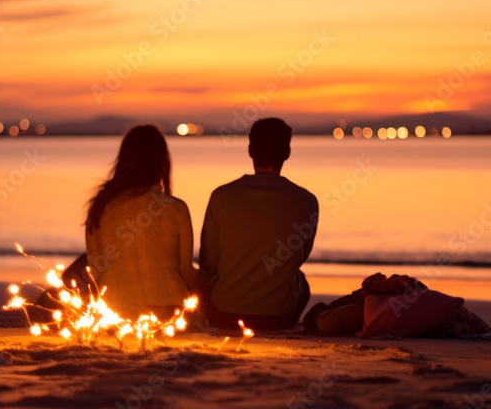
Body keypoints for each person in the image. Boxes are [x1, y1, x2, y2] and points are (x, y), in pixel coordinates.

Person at [199, 117, 319, 331]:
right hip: (279, 317)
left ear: (250, 151)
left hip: (224, 314)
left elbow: (209, 262)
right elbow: (299, 257)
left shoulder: (221, 196)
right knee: (301, 281)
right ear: (287, 152)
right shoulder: (307, 200)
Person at [83, 125, 198, 320]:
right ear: (162, 161)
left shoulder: (100, 207)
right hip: (171, 315)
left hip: (115, 315)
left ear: (124, 161)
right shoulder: (176, 208)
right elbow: (186, 272)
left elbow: (94, 272)